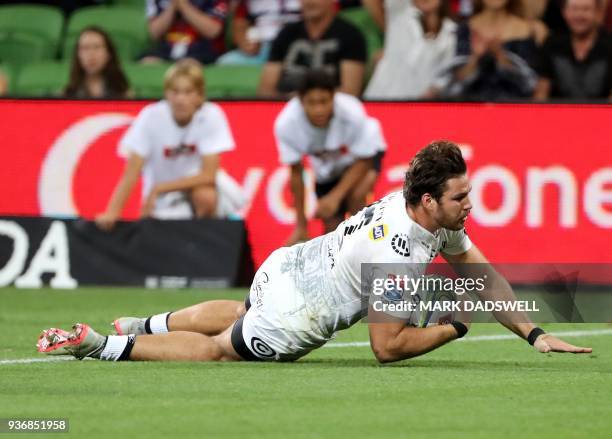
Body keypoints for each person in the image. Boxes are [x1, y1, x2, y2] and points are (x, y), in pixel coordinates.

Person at [38, 140, 592, 363]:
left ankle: (145, 321)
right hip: (294, 316)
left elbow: (484, 276)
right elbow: (387, 346)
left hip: (287, 265)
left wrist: (536, 335)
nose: (471, 204)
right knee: (216, 352)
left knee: (236, 312)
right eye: (461, 196)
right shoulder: (398, 254)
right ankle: (100, 345)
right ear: (430, 200)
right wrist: (454, 326)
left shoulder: (420, 213)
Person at [95, 59, 235, 231]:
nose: (180, 99)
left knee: (205, 196)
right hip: (161, 201)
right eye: (174, 92)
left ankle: (203, 240)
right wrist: (112, 213)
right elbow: (131, 172)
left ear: (200, 96)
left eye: (188, 92)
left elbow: (208, 175)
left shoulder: (211, 115)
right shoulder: (150, 117)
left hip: (182, 190)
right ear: (166, 94)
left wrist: (160, 188)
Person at [275, 70, 387, 245]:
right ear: (300, 101)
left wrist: (335, 197)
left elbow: (364, 160)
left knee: (356, 198)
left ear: (333, 97)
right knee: (331, 231)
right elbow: (296, 174)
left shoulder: (352, 112)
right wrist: (301, 227)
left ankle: (371, 249)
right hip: (327, 167)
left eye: (324, 101)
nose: (318, 109)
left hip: (365, 155)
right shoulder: (286, 124)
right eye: (311, 103)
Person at [257, 0, 367, 97]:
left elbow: (350, 91)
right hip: (284, 107)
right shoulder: (287, 33)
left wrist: (310, 101)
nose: (310, 2)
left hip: (331, 112)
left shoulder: (350, 35)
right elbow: (266, 89)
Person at [439, 0, 541, 100]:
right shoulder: (466, 28)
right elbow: (453, 82)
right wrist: (475, 58)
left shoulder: (525, 29)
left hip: (513, 105)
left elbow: (531, 83)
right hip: (472, 105)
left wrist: (500, 56)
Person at [364, 0, 458, 100]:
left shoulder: (453, 32)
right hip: (381, 99)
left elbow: (446, 75)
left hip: (421, 105)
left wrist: (431, 93)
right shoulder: (399, 14)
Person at [534, 0, 612, 101]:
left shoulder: (609, 45)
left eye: (586, 9)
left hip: (601, 113)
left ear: (598, 13)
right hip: (558, 113)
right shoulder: (552, 44)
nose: (579, 15)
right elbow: (542, 90)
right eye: (574, 9)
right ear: (564, 12)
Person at [216, 0, 301, 65]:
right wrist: (245, 43)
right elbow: (240, 22)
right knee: (226, 63)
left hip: (298, 44)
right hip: (263, 46)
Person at [142, 0, 228, 64]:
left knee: (188, 66)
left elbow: (213, 31)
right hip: (166, 48)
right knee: (147, 62)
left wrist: (183, 5)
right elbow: (153, 33)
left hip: (201, 49)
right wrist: (173, 6)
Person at [64, 26, 130, 99]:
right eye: (85, 48)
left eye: (97, 47)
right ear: (78, 55)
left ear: (108, 54)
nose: (91, 54)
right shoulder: (66, 95)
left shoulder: (125, 94)